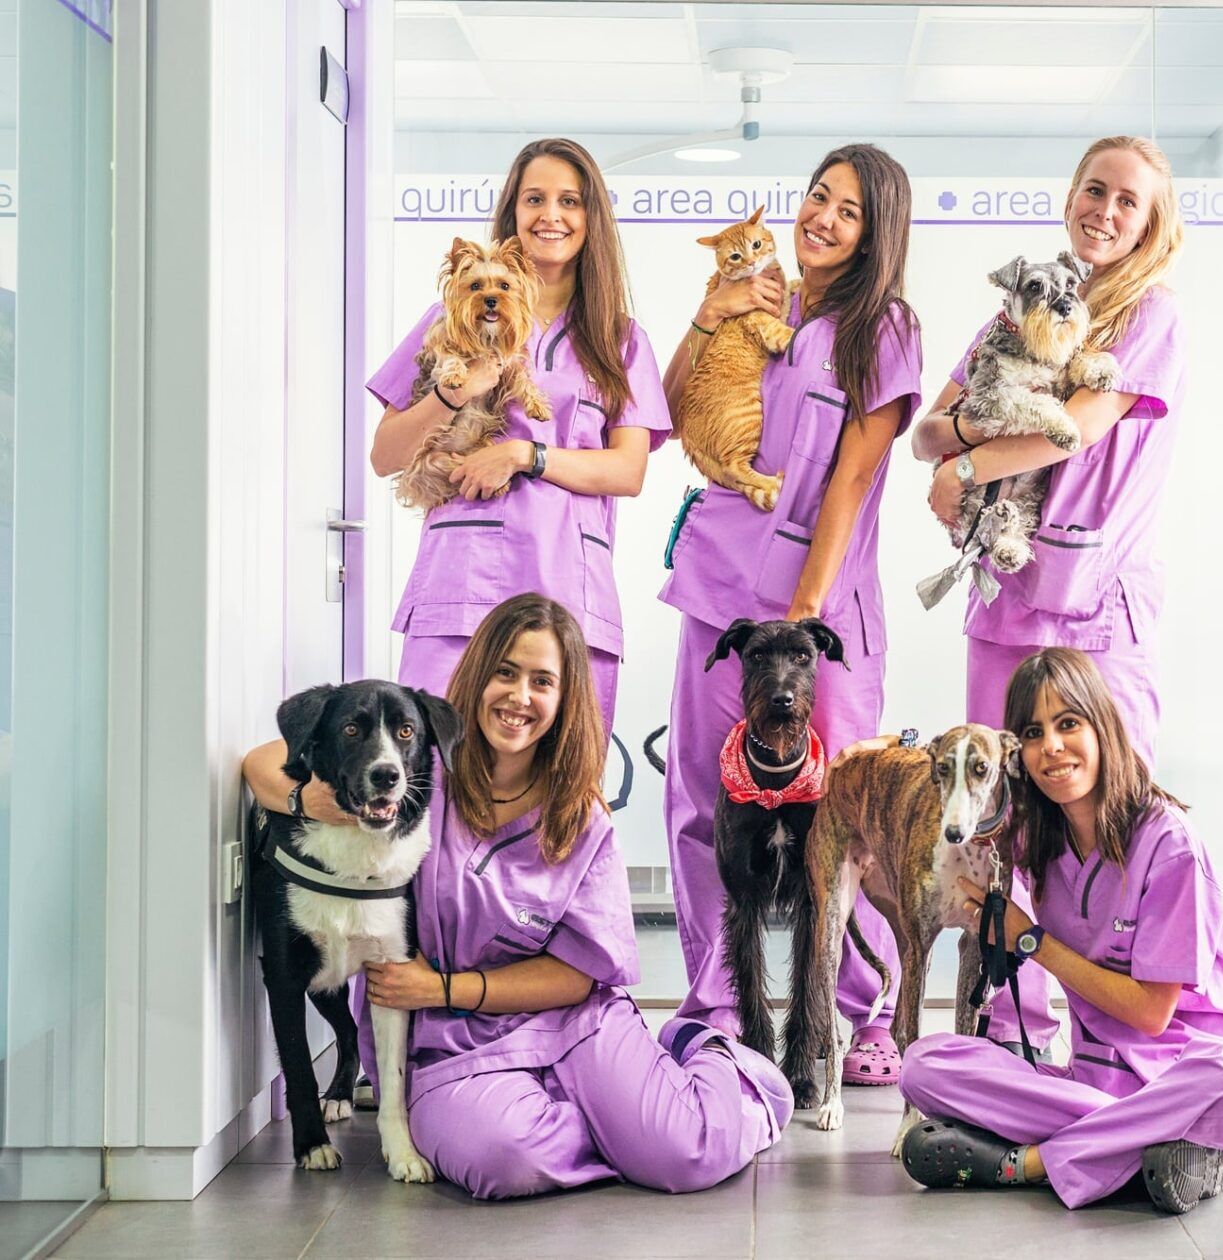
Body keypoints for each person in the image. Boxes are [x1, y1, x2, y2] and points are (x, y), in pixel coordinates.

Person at [243, 594, 792, 1200]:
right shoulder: (419, 775)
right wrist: (313, 801)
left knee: (686, 1153)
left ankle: (705, 1055)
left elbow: (581, 978)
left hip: (571, 1023)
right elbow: (261, 763)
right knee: (503, 1161)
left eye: (542, 681)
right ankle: (610, 1125)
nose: (519, 696)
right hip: (449, 1043)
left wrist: (443, 987)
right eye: (505, 672)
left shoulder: (580, 818)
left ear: (563, 701)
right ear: (478, 676)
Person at [910, 135, 1188, 1054]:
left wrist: (967, 461)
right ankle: (1004, 1032)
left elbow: (1074, 429)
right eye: (1093, 190)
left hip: (1101, 607)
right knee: (996, 821)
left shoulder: (1148, 317)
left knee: (1108, 823)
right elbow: (924, 432)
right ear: (1070, 195)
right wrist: (950, 451)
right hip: (1007, 597)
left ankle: (1123, 1042)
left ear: (1150, 225)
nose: (1105, 211)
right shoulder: (1015, 307)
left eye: (1127, 202)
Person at [656, 144, 923, 1084]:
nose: (822, 217)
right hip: (719, 592)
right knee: (698, 800)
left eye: (848, 209)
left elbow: (855, 472)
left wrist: (806, 611)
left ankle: (858, 1014)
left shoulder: (883, 326)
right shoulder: (763, 301)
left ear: (876, 230)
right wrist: (707, 313)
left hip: (820, 615)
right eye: (817, 196)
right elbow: (671, 405)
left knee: (843, 818)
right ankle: (718, 1006)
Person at [896, 647, 1223, 1214]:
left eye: (1068, 723)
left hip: (1191, 1078)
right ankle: (1158, 1152)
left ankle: (1030, 1163)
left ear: (1102, 725)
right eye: (1033, 731)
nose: (1052, 746)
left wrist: (1032, 942)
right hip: (1098, 1085)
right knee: (927, 1064)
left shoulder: (1169, 845)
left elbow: (1151, 1015)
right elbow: (977, 810)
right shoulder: (1039, 847)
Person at [369, 138, 670, 728]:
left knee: (562, 786)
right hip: (462, 577)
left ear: (592, 219)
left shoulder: (620, 338)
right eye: (535, 199)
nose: (551, 216)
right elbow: (385, 455)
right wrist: (454, 393)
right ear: (514, 211)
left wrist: (523, 454)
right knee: (437, 773)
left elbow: (626, 471)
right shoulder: (448, 318)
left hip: (569, 580)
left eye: (570, 201)